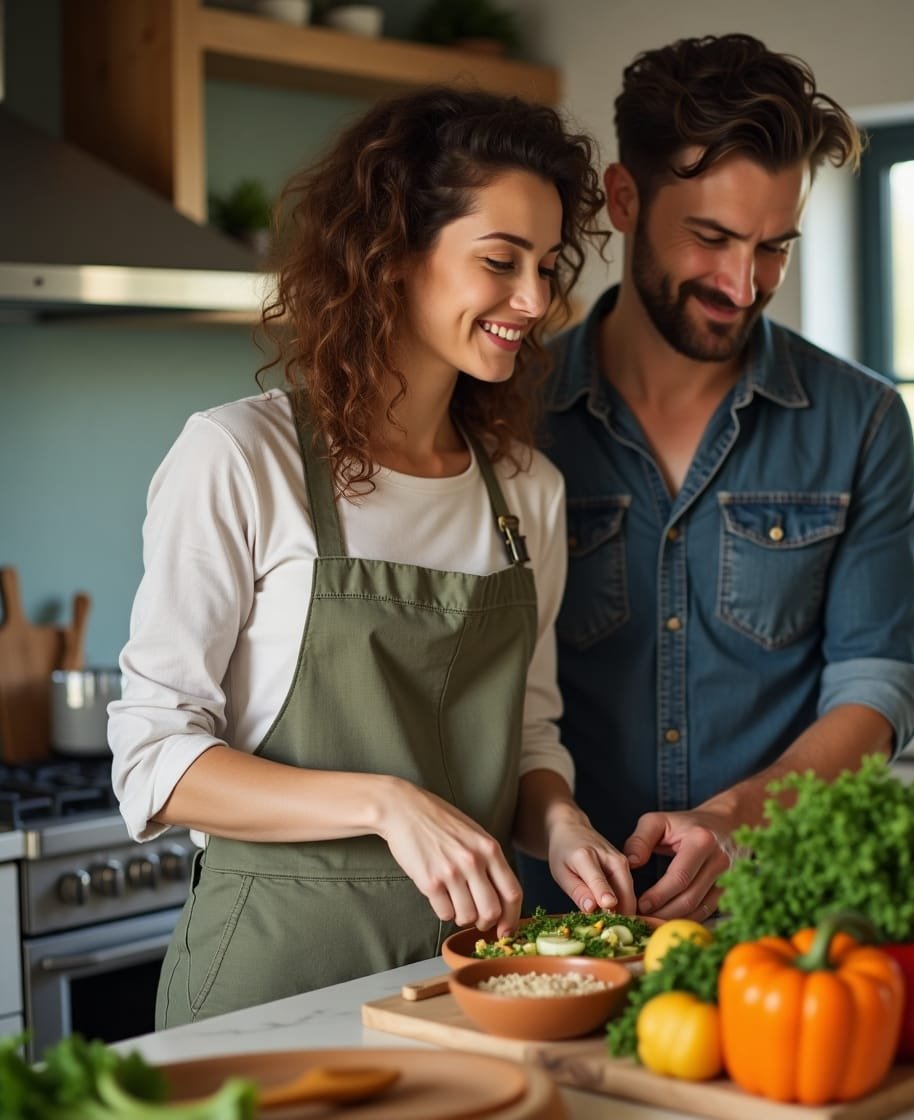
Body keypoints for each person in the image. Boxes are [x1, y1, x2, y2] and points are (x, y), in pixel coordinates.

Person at [108, 86, 636, 1027]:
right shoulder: (240, 459)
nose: (535, 300)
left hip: (463, 980)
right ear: (393, 257)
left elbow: (527, 736)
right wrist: (388, 803)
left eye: (548, 267)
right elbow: (155, 761)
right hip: (268, 979)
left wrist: (558, 823)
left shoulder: (527, 492)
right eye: (501, 261)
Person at [518, 34, 914, 921]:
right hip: (552, 930)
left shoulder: (861, 422)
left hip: (785, 924)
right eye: (711, 238)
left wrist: (736, 819)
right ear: (624, 200)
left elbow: (877, 684)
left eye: (775, 246)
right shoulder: (511, 415)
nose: (745, 285)